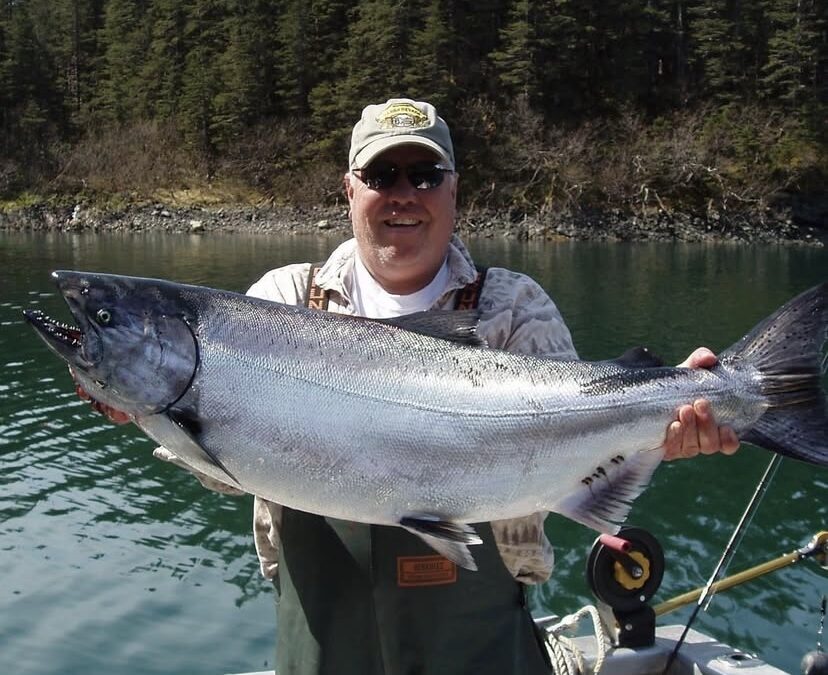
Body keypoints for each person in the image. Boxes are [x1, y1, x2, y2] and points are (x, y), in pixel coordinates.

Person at [79, 98, 740, 674]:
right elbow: (232, 473)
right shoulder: (277, 304)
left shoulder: (513, 308)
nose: (403, 193)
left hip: (480, 645)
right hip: (322, 640)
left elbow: (579, 450)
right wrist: (146, 412)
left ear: (454, 191)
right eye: (381, 175)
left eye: (425, 175)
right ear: (349, 190)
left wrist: (662, 425)